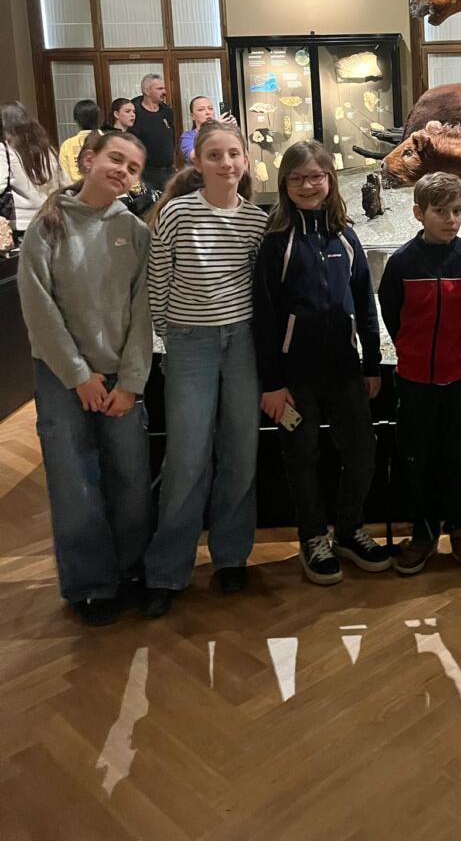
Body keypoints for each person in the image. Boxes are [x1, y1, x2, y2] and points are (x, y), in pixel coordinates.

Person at [17, 130, 153, 626]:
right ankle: (90, 584)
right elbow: (38, 306)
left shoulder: (134, 231)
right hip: (63, 377)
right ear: (90, 159)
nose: (123, 171)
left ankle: (132, 570)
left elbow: (143, 311)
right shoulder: (48, 225)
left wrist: (130, 382)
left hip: (120, 379)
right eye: (116, 159)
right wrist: (78, 375)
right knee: (73, 479)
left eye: (133, 168)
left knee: (131, 477)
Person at [142, 120, 267, 617]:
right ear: (197, 162)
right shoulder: (177, 213)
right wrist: (170, 335)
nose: (226, 163)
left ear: (245, 160)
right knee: (186, 458)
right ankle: (167, 569)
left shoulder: (255, 220)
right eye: (214, 155)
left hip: (242, 344)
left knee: (240, 451)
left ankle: (231, 556)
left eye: (233, 153)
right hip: (189, 343)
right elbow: (158, 278)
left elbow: (258, 285)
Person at [252, 140, 388, 586]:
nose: (308, 185)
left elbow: (365, 303)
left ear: (330, 179)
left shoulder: (346, 237)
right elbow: (265, 317)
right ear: (284, 184)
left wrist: (372, 363)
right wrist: (271, 383)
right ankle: (312, 537)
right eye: (297, 178)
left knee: (362, 451)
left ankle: (348, 530)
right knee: (301, 457)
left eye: (315, 176)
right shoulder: (276, 243)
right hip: (295, 377)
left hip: (345, 370)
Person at [378, 172, 461, 581]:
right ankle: (423, 533)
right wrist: (413, 352)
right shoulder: (402, 263)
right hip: (415, 380)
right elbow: (393, 315)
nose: (451, 219)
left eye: (457, 211)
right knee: (417, 459)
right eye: (441, 211)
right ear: (419, 213)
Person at [0, 100, 65, 245]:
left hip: (22, 224)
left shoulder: (4, 150)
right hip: (51, 218)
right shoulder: (47, 149)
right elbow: (64, 183)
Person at [130, 73, 176, 192]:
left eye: (164, 88)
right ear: (147, 91)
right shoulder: (134, 112)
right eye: (159, 89)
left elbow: (172, 139)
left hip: (168, 173)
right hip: (145, 174)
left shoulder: (166, 111)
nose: (164, 92)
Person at [58, 99, 101, 183]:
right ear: (98, 118)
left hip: (75, 189)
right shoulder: (108, 141)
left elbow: (64, 178)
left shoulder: (67, 145)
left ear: (76, 120)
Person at [179, 96, 216, 163]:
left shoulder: (222, 132)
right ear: (192, 116)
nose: (208, 112)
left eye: (210, 108)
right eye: (201, 109)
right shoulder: (187, 137)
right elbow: (194, 157)